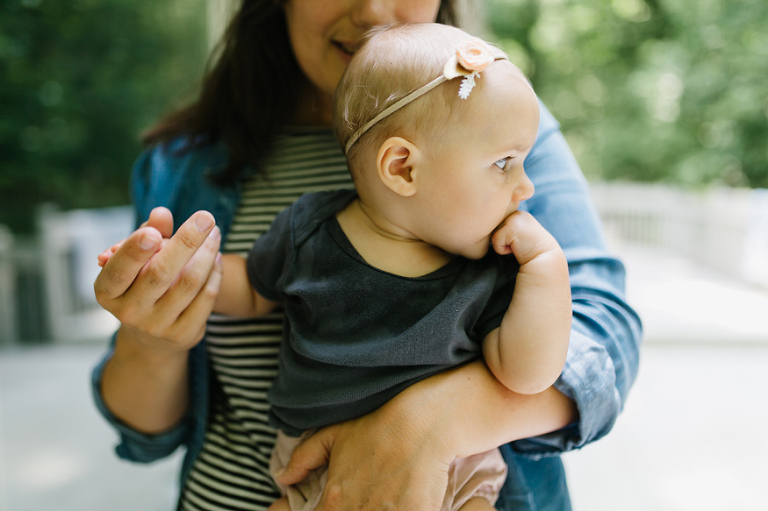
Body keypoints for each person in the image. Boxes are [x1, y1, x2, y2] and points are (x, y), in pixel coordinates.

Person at [91, 1, 642, 510]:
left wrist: (430, 426)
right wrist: (161, 303)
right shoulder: (197, 171)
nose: (374, 9)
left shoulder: (501, 124)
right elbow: (148, 432)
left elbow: (600, 339)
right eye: (504, 165)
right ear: (400, 166)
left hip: (463, 477)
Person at [172, 22, 567, 511]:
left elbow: (527, 376)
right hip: (310, 465)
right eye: (504, 163)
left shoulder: (491, 267)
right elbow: (251, 290)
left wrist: (548, 270)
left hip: (453, 470)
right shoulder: (308, 230)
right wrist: (187, 273)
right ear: (402, 167)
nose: (526, 187)